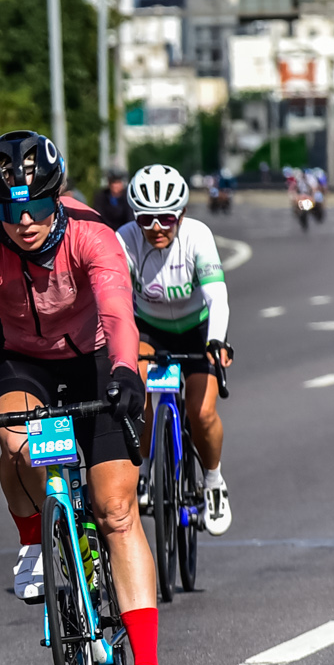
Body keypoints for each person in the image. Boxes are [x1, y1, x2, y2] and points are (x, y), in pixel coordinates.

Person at [0, 130, 174, 665]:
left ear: (57, 198)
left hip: (95, 357)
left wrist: (126, 373)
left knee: (117, 510)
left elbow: (120, 313)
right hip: (19, 359)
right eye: (12, 210)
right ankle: (32, 543)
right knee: (17, 442)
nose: (25, 222)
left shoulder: (94, 236)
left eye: (39, 207)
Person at [118, 165, 234, 534]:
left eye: (166, 218)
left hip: (197, 330)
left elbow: (218, 296)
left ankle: (213, 482)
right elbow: (115, 301)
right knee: (136, 397)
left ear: (181, 214)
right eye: (147, 219)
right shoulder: (124, 240)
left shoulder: (198, 235)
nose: (156, 228)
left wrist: (217, 340)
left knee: (201, 414)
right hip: (149, 328)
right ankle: (144, 472)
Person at [92, 166, 134, 231]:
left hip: (124, 231)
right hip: (106, 231)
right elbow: (98, 216)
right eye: (113, 182)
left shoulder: (128, 197)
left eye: (118, 182)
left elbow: (130, 218)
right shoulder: (101, 197)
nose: (115, 186)